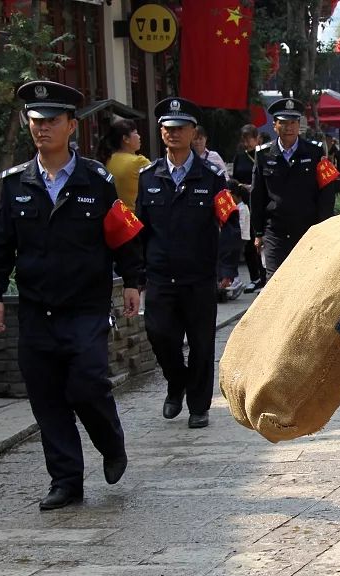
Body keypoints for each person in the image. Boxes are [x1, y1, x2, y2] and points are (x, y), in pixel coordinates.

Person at [0, 80, 143, 511]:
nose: (42, 128)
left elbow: (121, 234)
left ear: (72, 125)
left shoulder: (97, 179)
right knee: (47, 396)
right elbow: (0, 243)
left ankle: (110, 442)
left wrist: (133, 280)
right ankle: (66, 480)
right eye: (36, 121)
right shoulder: (15, 183)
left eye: (52, 120)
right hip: (37, 309)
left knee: (87, 384)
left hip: (85, 306)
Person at [135, 97, 236, 430]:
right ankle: (176, 381)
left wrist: (226, 268)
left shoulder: (212, 177)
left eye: (180, 128)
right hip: (160, 276)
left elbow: (229, 222)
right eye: (168, 128)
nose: (173, 133)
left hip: (198, 275)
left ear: (194, 132)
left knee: (202, 343)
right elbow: (139, 228)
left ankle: (198, 406)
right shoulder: (148, 176)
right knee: (159, 335)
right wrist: (136, 275)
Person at [250, 97, 339, 280]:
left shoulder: (315, 152)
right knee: (275, 282)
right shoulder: (263, 155)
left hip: (307, 231)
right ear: (275, 125)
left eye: (293, 122)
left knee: (306, 281)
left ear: (299, 125)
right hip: (275, 233)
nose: (288, 127)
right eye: (283, 123)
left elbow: (326, 194)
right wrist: (258, 233)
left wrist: (324, 228)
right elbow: (257, 196)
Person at [230, 124, 265, 293]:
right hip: (244, 203)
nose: (246, 143)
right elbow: (234, 179)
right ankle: (254, 277)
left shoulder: (262, 154)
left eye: (249, 139)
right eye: (244, 140)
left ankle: (265, 276)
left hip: (259, 202)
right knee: (248, 240)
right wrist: (240, 187)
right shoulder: (240, 156)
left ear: (257, 138)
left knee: (261, 240)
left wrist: (254, 186)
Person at [98, 117, 150, 212]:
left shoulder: (107, 160)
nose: (139, 137)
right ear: (125, 139)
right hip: (134, 217)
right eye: (135, 133)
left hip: (115, 216)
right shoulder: (139, 162)